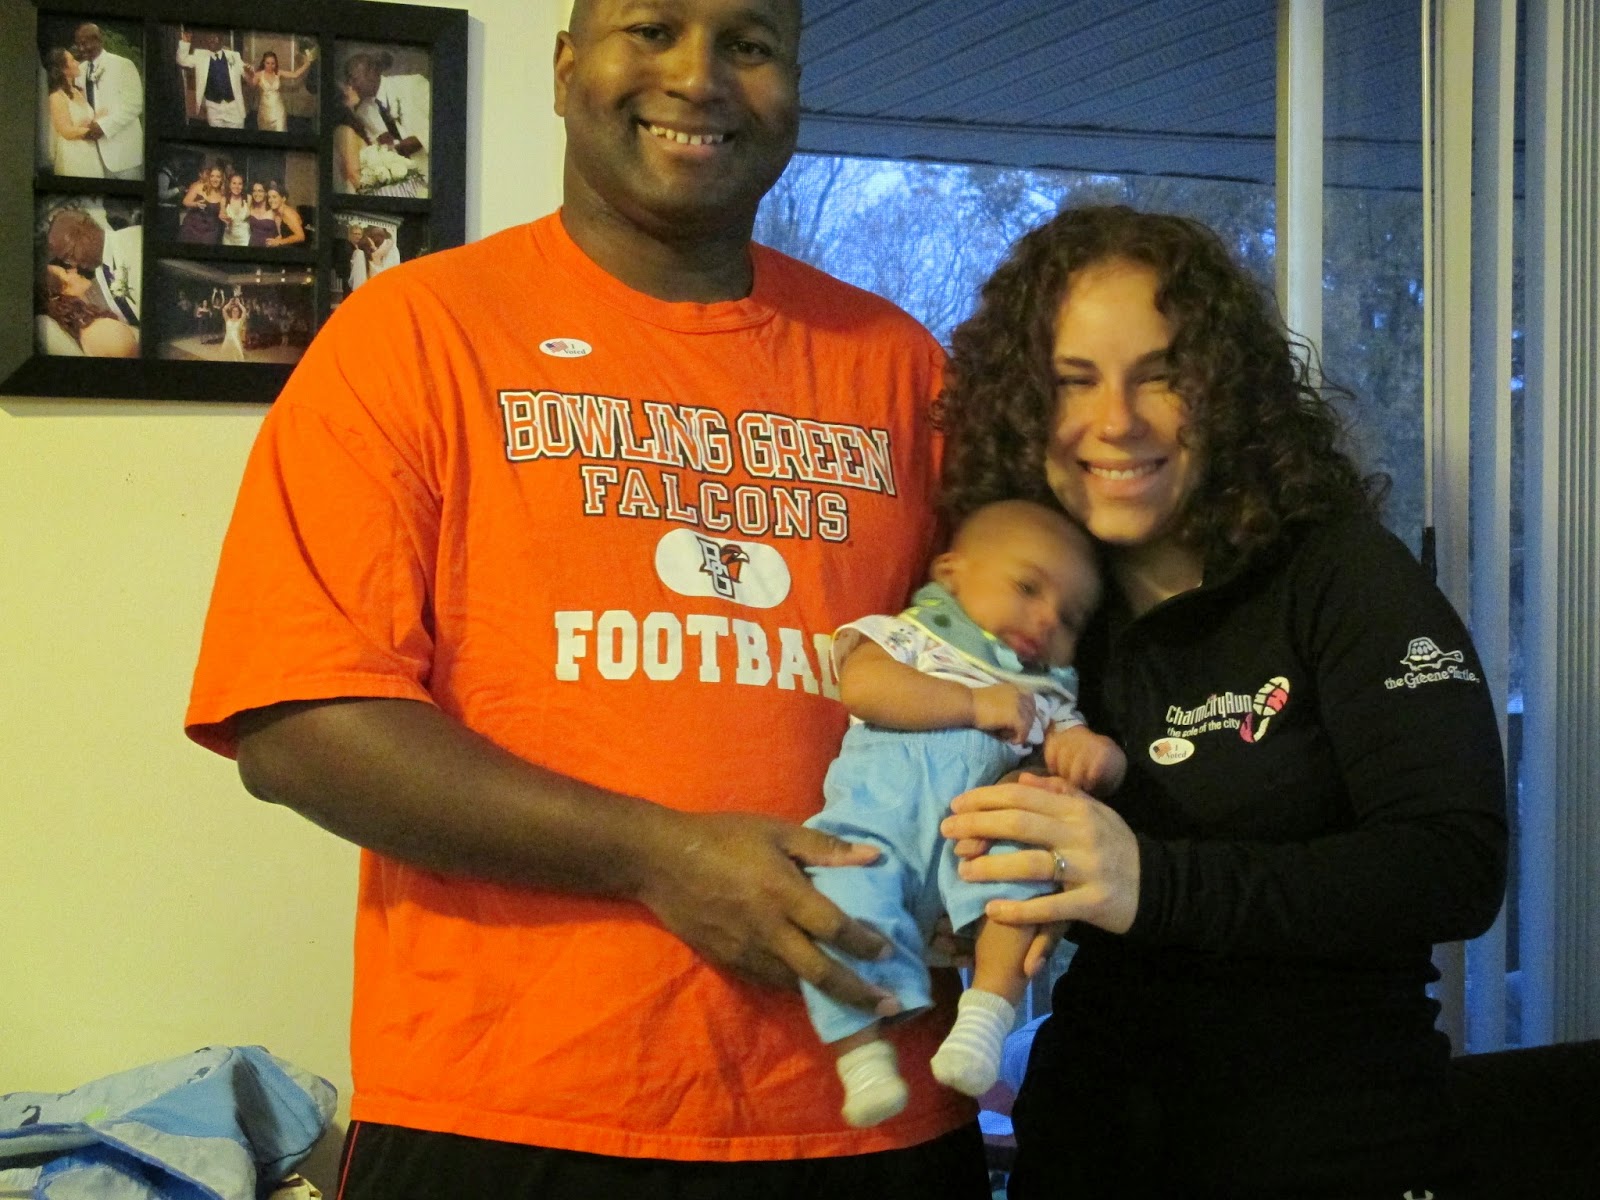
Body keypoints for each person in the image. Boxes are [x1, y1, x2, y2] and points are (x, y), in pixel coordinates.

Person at [185, 1, 989, 1198]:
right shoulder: (414, 335)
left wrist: (985, 869)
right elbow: (300, 724)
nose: (700, 78)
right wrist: (659, 858)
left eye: (751, 47)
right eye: (652, 29)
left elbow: (996, 673)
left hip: (870, 1114)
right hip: (513, 1113)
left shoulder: (901, 366)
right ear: (567, 70)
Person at [934, 205, 1508, 1199]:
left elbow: (1454, 866)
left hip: (1336, 1152)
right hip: (1091, 1147)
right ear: (1023, 406)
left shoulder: (1338, 573)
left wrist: (1150, 882)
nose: (1117, 420)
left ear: (1227, 391)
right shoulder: (1038, 615)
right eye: (1074, 380)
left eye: (1161, 374)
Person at [802, 499, 1124, 1129]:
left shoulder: (1045, 692)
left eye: (1070, 618)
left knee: (1021, 880)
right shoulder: (913, 637)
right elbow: (865, 688)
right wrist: (974, 705)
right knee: (837, 907)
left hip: (975, 841)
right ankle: (861, 1058)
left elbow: (1075, 752)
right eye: (1027, 587)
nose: (1046, 618)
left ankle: (984, 1017)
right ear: (951, 574)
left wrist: (1096, 757)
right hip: (874, 830)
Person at [36, 210, 137, 358]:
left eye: (69, 256)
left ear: (83, 235)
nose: (74, 266)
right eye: (67, 265)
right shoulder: (101, 275)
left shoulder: (135, 240)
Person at [73, 23, 144, 181]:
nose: (81, 49)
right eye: (78, 44)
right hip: (93, 154)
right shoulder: (80, 70)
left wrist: (104, 126)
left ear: (98, 40)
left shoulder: (123, 64)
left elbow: (134, 105)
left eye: (84, 43)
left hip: (124, 153)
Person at [44, 49, 104, 178]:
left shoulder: (78, 92)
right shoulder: (57, 97)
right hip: (73, 155)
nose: (77, 63)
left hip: (89, 152)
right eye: (72, 60)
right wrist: (92, 130)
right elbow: (65, 131)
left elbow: (87, 120)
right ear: (63, 69)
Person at [176, 29, 249, 129]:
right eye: (209, 37)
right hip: (213, 108)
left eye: (215, 37)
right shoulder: (200, 55)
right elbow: (181, 60)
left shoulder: (233, 55)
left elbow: (246, 73)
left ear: (221, 39)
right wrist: (185, 42)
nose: (211, 40)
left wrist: (249, 72)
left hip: (233, 107)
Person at [251, 47, 314, 133]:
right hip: (264, 112)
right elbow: (251, 85)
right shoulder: (259, 75)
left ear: (276, 63)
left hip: (278, 111)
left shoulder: (278, 73)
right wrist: (248, 72)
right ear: (263, 63)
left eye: (273, 63)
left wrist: (306, 64)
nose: (270, 66)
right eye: (267, 63)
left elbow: (295, 74)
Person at [176, 163, 225, 244]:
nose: (215, 179)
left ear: (222, 179)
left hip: (210, 232)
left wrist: (225, 217)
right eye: (212, 176)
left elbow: (222, 213)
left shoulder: (222, 195)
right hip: (191, 227)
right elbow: (185, 201)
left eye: (218, 177)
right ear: (209, 177)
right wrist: (196, 204)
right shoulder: (199, 187)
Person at [220, 173, 251, 247]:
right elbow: (222, 214)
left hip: (245, 239)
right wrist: (223, 218)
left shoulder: (248, 198)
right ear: (229, 185)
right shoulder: (224, 199)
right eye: (234, 183)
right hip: (228, 239)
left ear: (243, 186)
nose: (237, 186)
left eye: (240, 184)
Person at [246, 181, 277, 247]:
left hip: (268, 248)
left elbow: (281, 233)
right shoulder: (250, 207)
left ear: (266, 193)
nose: (256, 194)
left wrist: (277, 241)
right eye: (254, 191)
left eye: (260, 191)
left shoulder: (274, 210)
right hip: (252, 245)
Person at [219, 290, 247, 361]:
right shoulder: (227, 319)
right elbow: (224, 310)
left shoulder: (240, 321)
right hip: (227, 343)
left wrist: (239, 303)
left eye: (236, 311)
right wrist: (229, 302)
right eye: (233, 311)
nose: (235, 312)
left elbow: (244, 311)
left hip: (236, 344)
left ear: (239, 313)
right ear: (231, 312)